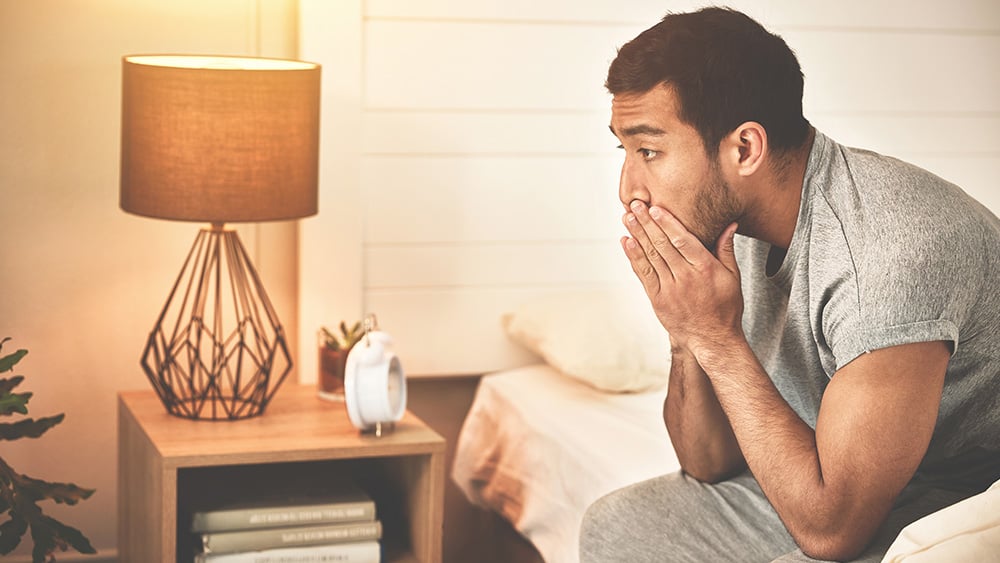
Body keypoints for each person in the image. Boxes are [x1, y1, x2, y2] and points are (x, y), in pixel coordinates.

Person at [579, 7, 1000, 563]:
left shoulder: (892, 251)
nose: (629, 189)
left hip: (958, 497)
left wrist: (718, 337)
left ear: (745, 148)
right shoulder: (731, 223)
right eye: (625, 151)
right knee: (619, 526)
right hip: (824, 477)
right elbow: (707, 464)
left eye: (649, 151)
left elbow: (832, 534)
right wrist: (688, 331)